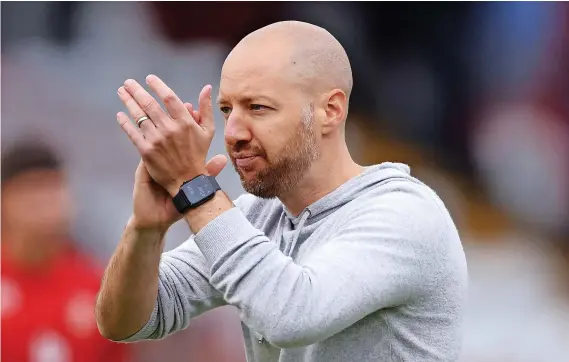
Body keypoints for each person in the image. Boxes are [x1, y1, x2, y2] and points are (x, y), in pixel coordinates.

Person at [95, 21, 468, 361]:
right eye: (227, 110)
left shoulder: (404, 214)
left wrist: (194, 187)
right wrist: (144, 230)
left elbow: (291, 315)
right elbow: (127, 322)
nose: (233, 133)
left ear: (330, 110)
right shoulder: (258, 214)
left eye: (258, 108)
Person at [1, 141, 131, 362]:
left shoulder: (100, 286)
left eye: (54, 188)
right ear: (6, 200)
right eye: (33, 188)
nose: (45, 201)